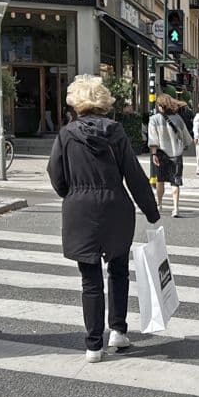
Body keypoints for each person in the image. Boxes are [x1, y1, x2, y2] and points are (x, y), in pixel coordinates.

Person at [47, 75, 160, 363]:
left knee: (90, 280)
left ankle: (93, 346)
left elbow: (55, 173)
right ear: (103, 102)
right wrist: (151, 210)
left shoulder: (66, 134)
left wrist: (72, 193)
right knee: (118, 270)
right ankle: (118, 331)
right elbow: (133, 174)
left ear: (75, 103)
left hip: (80, 209)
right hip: (115, 206)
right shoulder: (116, 132)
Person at [148, 94, 192, 217]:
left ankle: (159, 204)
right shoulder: (177, 118)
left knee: (160, 180)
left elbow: (153, 139)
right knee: (175, 182)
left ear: (160, 106)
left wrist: (154, 154)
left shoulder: (154, 119)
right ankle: (176, 208)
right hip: (176, 154)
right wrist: (183, 144)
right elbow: (186, 137)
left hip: (161, 153)